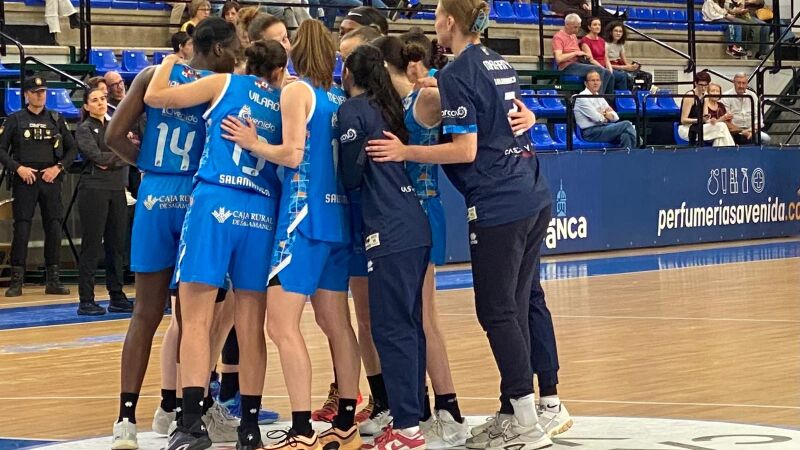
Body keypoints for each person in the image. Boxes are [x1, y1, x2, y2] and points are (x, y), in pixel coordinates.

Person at [366, 1, 554, 449]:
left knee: (497, 311)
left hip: (498, 202)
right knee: (513, 307)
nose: (434, 24)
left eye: (436, 15)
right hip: (531, 189)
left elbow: (465, 149)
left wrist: (405, 152)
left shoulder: (458, 72)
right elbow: (511, 116)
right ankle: (515, 411)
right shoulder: (497, 61)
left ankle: (527, 422)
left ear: (450, 21)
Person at [220, 19, 361, 450]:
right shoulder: (338, 97)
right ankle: (347, 422)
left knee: (281, 326)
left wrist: (252, 142)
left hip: (303, 216)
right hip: (338, 217)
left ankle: (302, 430)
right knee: (336, 323)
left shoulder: (298, 92)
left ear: (298, 52)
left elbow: (293, 154)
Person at [143, 38, 288, 450]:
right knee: (250, 326)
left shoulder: (224, 83)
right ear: (279, 71)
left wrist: (169, 61)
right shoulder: (288, 100)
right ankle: (250, 428)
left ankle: (191, 423)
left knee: (196, 320)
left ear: (245, 62)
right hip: (262, 211)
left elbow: (156, 97)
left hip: (216, 203)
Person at [105, 17, 241, 450]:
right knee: (193, 320)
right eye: (235, 46)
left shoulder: (151, 75)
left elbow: (112, 135)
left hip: (154, 194)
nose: (239, 53)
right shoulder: (220, 85)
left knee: (144, 313)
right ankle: (189, 415)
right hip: (197, 198)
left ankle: (125, 420)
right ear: (218, 49)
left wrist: (147, 163)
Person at [373, 34, 469, 449]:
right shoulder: (406, 98)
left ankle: (449, 409)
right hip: (408, 211)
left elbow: (471, 102)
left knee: (426, 315)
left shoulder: (428, 96)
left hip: (426, 206)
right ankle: (424, 408)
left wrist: (439, 79)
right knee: (413, 315)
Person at [338, 42, 432, 450]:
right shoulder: (388, 107)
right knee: (408, 325)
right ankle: (414, 415)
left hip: (388, 230)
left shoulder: (352, 111)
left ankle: (407, 428)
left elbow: (349, 176)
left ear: (347, 74)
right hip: (414, 224)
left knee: (391, 329)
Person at [308, 24, 385, 433]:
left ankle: (404, 402)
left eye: (349, 58)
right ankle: (357, 395)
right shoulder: (338, 101)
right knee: (348, 319)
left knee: (378, 318)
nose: (343, 65)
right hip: (347, 216)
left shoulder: (362, 105)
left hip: (371, 215)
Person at [0, 76, 76, 298]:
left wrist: (59, 168)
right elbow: (1, 150)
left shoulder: (56, 118)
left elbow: (72, 149)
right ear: (26, 95)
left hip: (50, 179)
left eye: (43, 91)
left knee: (54, 227)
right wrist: (18, 168)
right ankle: (17, 281)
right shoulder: (15, 119)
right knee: (22, 228)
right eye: (35, 92)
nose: (40, 95)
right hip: (26, 179)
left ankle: (53, 280)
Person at [75, 88, 132, 316]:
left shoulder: (114, 127)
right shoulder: (84, 128)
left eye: (103, 99)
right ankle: (86, 299)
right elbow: (97, 157)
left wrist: (114, 159)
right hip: (93, 189)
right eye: (95, 100)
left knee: (116, 245)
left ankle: (116, 295)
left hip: (117, 189)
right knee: (91, 244)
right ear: (86, 106)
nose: (100, 103)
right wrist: (120, 157)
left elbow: (130, 154)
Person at [573, 70, 637, 148]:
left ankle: (627, 155)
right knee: (626, 124)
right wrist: (605, 115)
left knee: (625, 136)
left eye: (598, 80)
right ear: (586, 83)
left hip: (603, 128)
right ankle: (639, 145)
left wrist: (603, 114)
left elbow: (615, 117)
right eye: (592, 80)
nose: (596, 83)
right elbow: (597, 118)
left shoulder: (599, 97)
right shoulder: (581, 98)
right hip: (590, 133)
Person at [553, 14, 614, 95]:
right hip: (567, 66)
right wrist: (575, 53)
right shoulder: (558, 37)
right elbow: (559, 58)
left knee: (608, 73)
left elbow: (577, 52)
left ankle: (607, 99)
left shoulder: (573, 36)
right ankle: (597, 98)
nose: (577, 30)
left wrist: (584, 55)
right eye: (575, 27)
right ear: (567, 25)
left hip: (578, 63)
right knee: (599, 70)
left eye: (578, 27)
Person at [678, 71, 735, 146]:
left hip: (700, 126)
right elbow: (683, 120)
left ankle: (723, 151)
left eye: (706, 85)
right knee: (721, 127)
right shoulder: (690, 97)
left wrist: (711, 120)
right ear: (696, 83)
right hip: (687, 129)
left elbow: (705, 118)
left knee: (720, 131)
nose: (703, 88)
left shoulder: (705, 96)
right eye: (701, 85)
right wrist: (699, 120)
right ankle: (729, 150)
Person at [721, 72, 771, 145]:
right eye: (739, 83)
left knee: (766, 139)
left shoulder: (752, 95)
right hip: (735, 132)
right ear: (734, 82)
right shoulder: (726, 96)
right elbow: (725, 121)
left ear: (747, 83)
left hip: (752, 130)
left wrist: (752, 130)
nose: (741, 86)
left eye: (743, 83)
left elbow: (759, 117)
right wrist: (742, 131)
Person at [579, 17, 627, 91]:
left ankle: (620, 96)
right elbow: (591, 59)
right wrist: (603, 68)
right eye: (595, 25)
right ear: (589, 27)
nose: (598, 26)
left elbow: (606, 58)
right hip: (594, 67)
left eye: (599, 25)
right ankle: (606, 96)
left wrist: (610, 69)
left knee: (619, 75)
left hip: (604, 67)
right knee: (615, 76)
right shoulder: (585, 41)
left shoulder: (602, 41)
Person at [604, 21, 653, 92]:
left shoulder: (620, 45)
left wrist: (631, 67)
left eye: (620, 31)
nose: (618, 33)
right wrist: (624, 67)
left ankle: (642, 95)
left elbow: (625, 61)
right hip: (612, 67)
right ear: (611, 32)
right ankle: (629, 95)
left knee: (647, 76)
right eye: (616, 31)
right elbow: (606, 64)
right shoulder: (606, 44)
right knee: (628, 77)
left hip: (621, 65)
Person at [702, 83, 737, 147]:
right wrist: (722, 119)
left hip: (720, 131)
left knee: (720, 137)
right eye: (712, 91)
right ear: (708, 93)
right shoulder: (704, 105)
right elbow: (706, 122)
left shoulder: (721, 105)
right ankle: (731, 149)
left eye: (717, 91)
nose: (715, 93)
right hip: (707, 132)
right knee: (722, 127)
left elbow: (727, 123)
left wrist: (729, 118)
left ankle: (724, 150)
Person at [550, 0, 625, 30]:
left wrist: (583, 4)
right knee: (579, 14)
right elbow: (558, 7)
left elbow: (579, 1)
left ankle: (614, 18)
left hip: (578, 8)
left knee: (597, 8)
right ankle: (610, 22)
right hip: (567, 9)